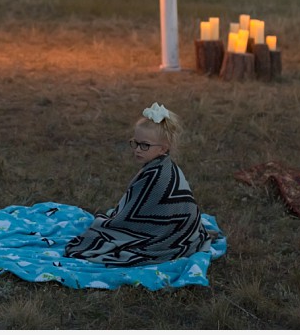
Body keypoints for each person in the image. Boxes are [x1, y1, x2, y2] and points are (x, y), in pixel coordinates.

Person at [64, 102, 211, 266]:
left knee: (100, 237)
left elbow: (136, 217)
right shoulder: (160, 166)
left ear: (163, 148)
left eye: (145, 145)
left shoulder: (158, 176)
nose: (137, 150)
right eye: (135, 142)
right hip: (184, 231)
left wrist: (116, 223)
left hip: (169, 236)